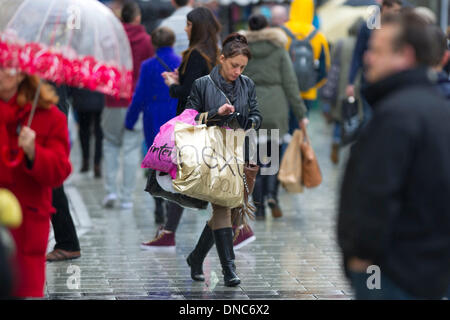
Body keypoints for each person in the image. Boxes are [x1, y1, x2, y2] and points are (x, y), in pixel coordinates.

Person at [337, 11, 450, 300]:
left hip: (389, 274)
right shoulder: (435, 108)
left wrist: (361, 258)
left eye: (377, 50)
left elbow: (376, 194)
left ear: (405, 55)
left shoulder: (396, 115)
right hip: (424, 270)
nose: (367, 58)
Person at [185, 33, 262, 287]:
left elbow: (256, 113)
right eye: (233, 65)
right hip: (213, 154)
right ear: (221, 58)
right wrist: (215, 114)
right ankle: (229, 270)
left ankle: (196, 258)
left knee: (234, 215)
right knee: (222, 207)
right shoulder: (202, 84)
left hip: (241, 154)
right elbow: (190, 118)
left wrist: (249, 121)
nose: (237, 71)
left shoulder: (248, 84)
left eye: (242, 67)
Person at [0, 71, 72, 297]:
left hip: (27, 224)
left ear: (22, 73)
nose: (2, 73)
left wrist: (34, 152)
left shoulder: (49, 117)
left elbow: (59, 172)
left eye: (8, 66)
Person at [241, 14, 307, 220]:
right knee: (272, 158)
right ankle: (272, 196)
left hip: (252, 109)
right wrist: (301, 113)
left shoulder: (243, 52)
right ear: (268, 27)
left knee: (255, 162)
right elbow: (290, 83)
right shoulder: (279, 50)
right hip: (276, 107)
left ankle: (259, 207)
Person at [125, 27, 182, 224]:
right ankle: (173, 202)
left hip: (153, 118)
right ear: (172, 42)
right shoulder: (181, 63)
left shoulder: (148, 66)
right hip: (176, 116)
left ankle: (158, 203)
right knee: (175, 160)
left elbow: (139, 95)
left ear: (154, 44)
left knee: (156, 161)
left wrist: (130, 120)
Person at [102, 0, 154, 209]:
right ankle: (126, 198)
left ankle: (110, 191)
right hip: (136, 100)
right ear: (137, 17)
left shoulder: (111, 39)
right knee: (132, 148)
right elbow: (150, 71)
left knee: (110, 144)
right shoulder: (146, 41)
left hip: (113, 98)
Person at [345, 0, 403, 125]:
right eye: (395, 11)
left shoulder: (397, 28)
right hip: (369, 81)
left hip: (390, 82)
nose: (397, 14)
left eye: (399, 11)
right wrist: (350, 82)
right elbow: (357, 55)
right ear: (385, 7)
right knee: (368, 119)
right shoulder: (368, 26)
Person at [281, 0, 330, 133]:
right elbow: (325, 69)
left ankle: (282, 153)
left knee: (282, 133)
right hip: (307, 93)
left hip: (284, 92)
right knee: (300, 132)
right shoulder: (318, 36)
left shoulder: (281, 32)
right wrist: (313, 85)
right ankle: (299, 153)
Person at [46, 85, 81, 262]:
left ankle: (68, 243)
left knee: (52, 184)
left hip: (49, 126)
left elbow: (57, 107)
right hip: (51, 116)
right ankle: (67, 242)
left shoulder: (50, 72)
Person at [324, 18, 364, 164]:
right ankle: (351, 149)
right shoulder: (364, 45)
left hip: (340, 87)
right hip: (357, 87)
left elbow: (333, 66)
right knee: (353, 118)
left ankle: (336, 140)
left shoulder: (341, 42)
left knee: (338, 119)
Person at [71, 87, 104, 178]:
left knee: (84, 133)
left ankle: (85, 161)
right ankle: (97, 164)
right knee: (99, 134)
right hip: (99, 99)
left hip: (82, 99)